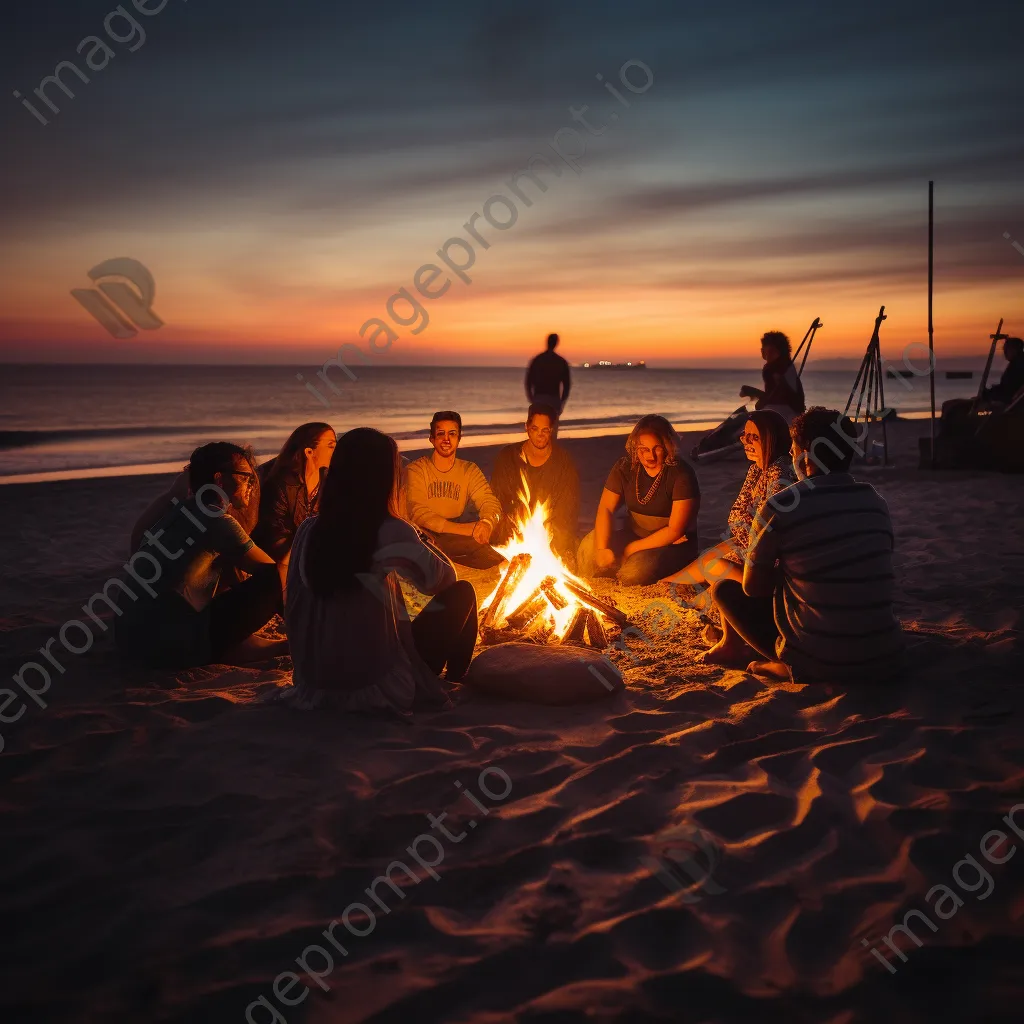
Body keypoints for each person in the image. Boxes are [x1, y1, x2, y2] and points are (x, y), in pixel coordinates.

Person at [281, 427, 476, 715]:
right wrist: (420, 538)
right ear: (383, 478)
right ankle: (456, 680)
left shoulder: (309, 530)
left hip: (314, 683)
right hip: (373, 686)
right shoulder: (389, 529)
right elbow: (445, 579)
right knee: (464, 593)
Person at [702, 407, 904, 683]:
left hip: (818, 658)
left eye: (794, 450)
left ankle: (784, 665)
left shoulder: (780, 506)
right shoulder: (876, 502)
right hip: (884, 651)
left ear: (804, 456)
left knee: (725, 588)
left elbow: (754, 589)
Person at [116, 442, 287, 668]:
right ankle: (308, 637)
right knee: (276, 576)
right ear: (219, 479)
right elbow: (275, 573)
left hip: (132, 641)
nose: (252, 484)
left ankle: (239, 645)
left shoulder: (180, 512)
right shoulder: (216, 520)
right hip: (170, 646)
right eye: (246, 477)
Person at [665, 410, 792, 602]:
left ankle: (727, 601)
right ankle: (676, 581)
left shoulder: (779, 477)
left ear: (771, 440)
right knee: (718, 553)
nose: (746, 442)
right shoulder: (758, 468)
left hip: (769, 562)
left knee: (714, 567)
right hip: (750, 545)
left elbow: (766, 540)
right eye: (744, 435)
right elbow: (741, 520)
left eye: (754, 437)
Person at [577, 415, 700, 587]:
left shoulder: (681, 474)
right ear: (635, 447)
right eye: (643, 449)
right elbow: (606, 508)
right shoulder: (625, 468)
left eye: (656, 448)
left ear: (667, 446)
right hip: (634, 535)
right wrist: (602, 549)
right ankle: (595, 583)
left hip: (672, 543)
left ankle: (620, 574)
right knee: (589, 545)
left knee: (634, 573)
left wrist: (632, 548)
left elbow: (675, 530)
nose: (650, 456)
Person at [404, 411, 504, 569]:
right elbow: (417, 512)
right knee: (423, 550)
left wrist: (486, 523)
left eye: (452, 433)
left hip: (455, 536)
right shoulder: (416, 469)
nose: (446, 439)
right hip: (423, 534)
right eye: (440, 433)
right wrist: (468, 530)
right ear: (432, 438)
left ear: (459, 438)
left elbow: (488, 501)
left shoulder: (469, 470)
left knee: (499, 550)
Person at [491, 403, 580, 566]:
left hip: (549, 535)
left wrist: (557, 550)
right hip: (512, 535)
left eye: (545, 430)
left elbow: (566, 512)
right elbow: (497, 500)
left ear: (551, 430)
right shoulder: (508, 457)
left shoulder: (563, 462)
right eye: (535, 429)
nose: (540, 435)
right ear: (526, 427)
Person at [252, 422, 336, 560]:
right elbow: (274, 538)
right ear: (309, 452)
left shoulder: (329, 483)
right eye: (331, 446)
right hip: (282, 562)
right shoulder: (279, 486)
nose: (336, 450)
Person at [941, 335, 1024, 430]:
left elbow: (1008, 390)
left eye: (1006, 349)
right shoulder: (1016, 363)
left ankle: (950, 435)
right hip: (1002, 399)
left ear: (1014, 349)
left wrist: (987, 394)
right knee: (951, 405)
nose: (1004, 352)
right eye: (1004, 349)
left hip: (1003, 403)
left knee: (951, 406)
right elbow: (1007, 387)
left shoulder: (1018, 365)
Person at [739, 330, 806, 423]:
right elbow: (774, 394)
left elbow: (781, 396)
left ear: (779, 351)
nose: (763, 351)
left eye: (770, 351)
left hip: (784, 414)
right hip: (794, 414)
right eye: (763, 348)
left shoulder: (775, 368)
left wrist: (756, 395)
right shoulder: (787, 365)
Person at [525, 333, 571, 414]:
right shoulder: (560, 361)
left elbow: (528, 380)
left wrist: (530, 396)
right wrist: (562, 401)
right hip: (553, 398)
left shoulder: (538, 359)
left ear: (547, 342)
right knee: (551, 425)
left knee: (538, 424)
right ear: (556, 343)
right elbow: (567, 385)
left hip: (540, 397)